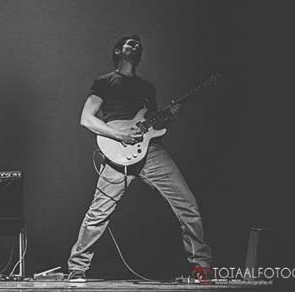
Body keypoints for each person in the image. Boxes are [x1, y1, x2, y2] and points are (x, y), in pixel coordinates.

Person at [66, 35, 212, 283]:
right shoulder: (105, 82)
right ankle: (77, 267)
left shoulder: (147, 88)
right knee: (98, 213)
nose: (136, 46)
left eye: (139, 44)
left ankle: (201, 266)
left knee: (188, 205)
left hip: (151, 152)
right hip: (117, 152)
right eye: (130, 43)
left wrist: (170, 116)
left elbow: (153, 125)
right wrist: (119, 134)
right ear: (118, 51)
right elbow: (86, 118)